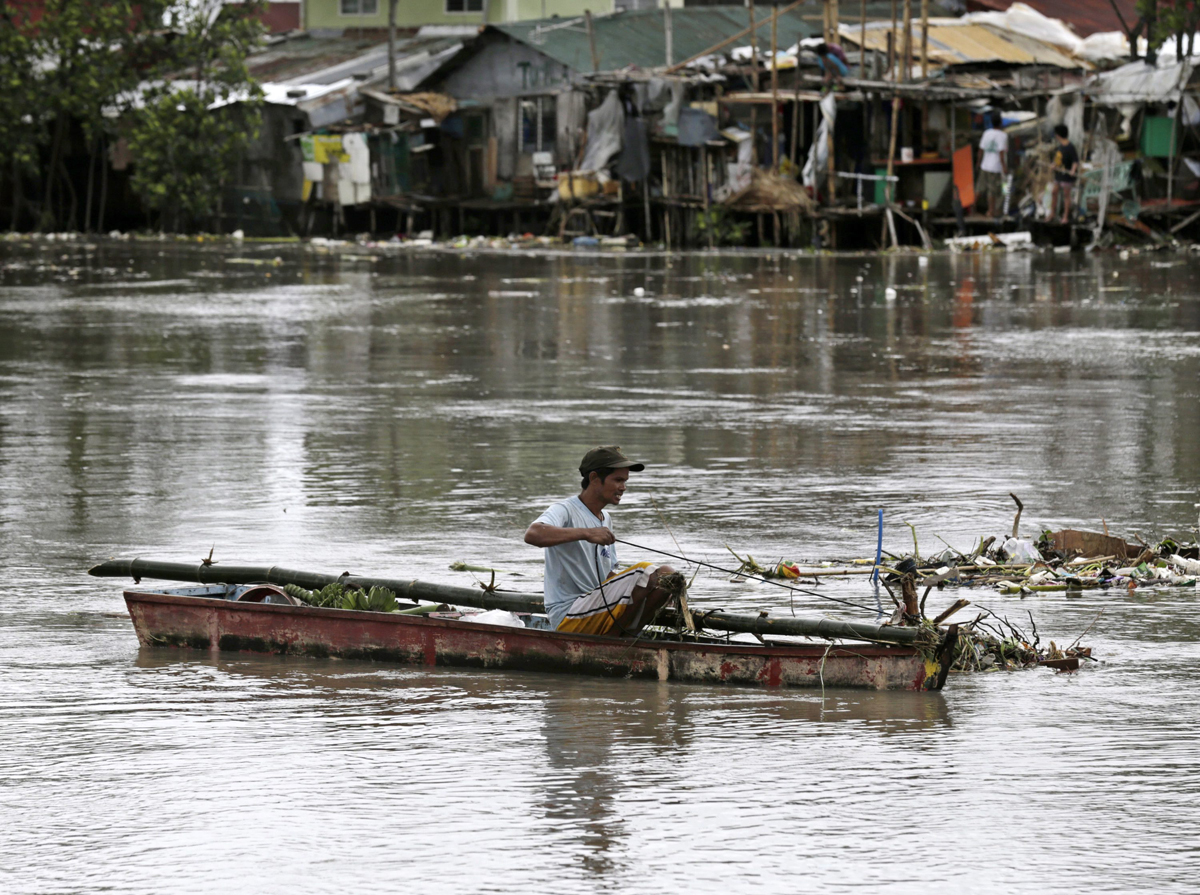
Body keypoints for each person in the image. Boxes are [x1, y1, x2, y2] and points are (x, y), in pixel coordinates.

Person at [524, 446, 682, 636]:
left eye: (625, 481)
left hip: (597, 608)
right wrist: (586, 533)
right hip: (568, 612)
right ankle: (614, 639)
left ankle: (628, 636)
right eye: (618, 480)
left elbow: (607, 576)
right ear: (594, 478)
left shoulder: (605, 518)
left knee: (668, 575)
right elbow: (533, 534)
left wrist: (657, 591)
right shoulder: (565, 510)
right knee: (644, 571)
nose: (623, 487)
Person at [977, 113, 1008, 218]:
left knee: (980, 188)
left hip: (984, 166)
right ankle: (991, 211)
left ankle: (972, 209)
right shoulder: (1003, 135)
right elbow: (1001, 154)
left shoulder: (986, 133)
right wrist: (1004, 167)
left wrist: (978, 163)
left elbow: (980, 150)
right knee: (993, 190)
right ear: (1001, 122)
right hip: (995, 167)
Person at [1050, 124, 1079, 224]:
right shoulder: (1060, 147)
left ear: (1058, 135)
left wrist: (1073, 170)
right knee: (1054, 192)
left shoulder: (1070, 147)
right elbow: (1057, 160)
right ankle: (1052, 213)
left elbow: (1075, 161)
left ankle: (1065, 217)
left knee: (1066, 195)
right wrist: (1053, 165)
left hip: (1067, 177)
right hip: (1059, 175)